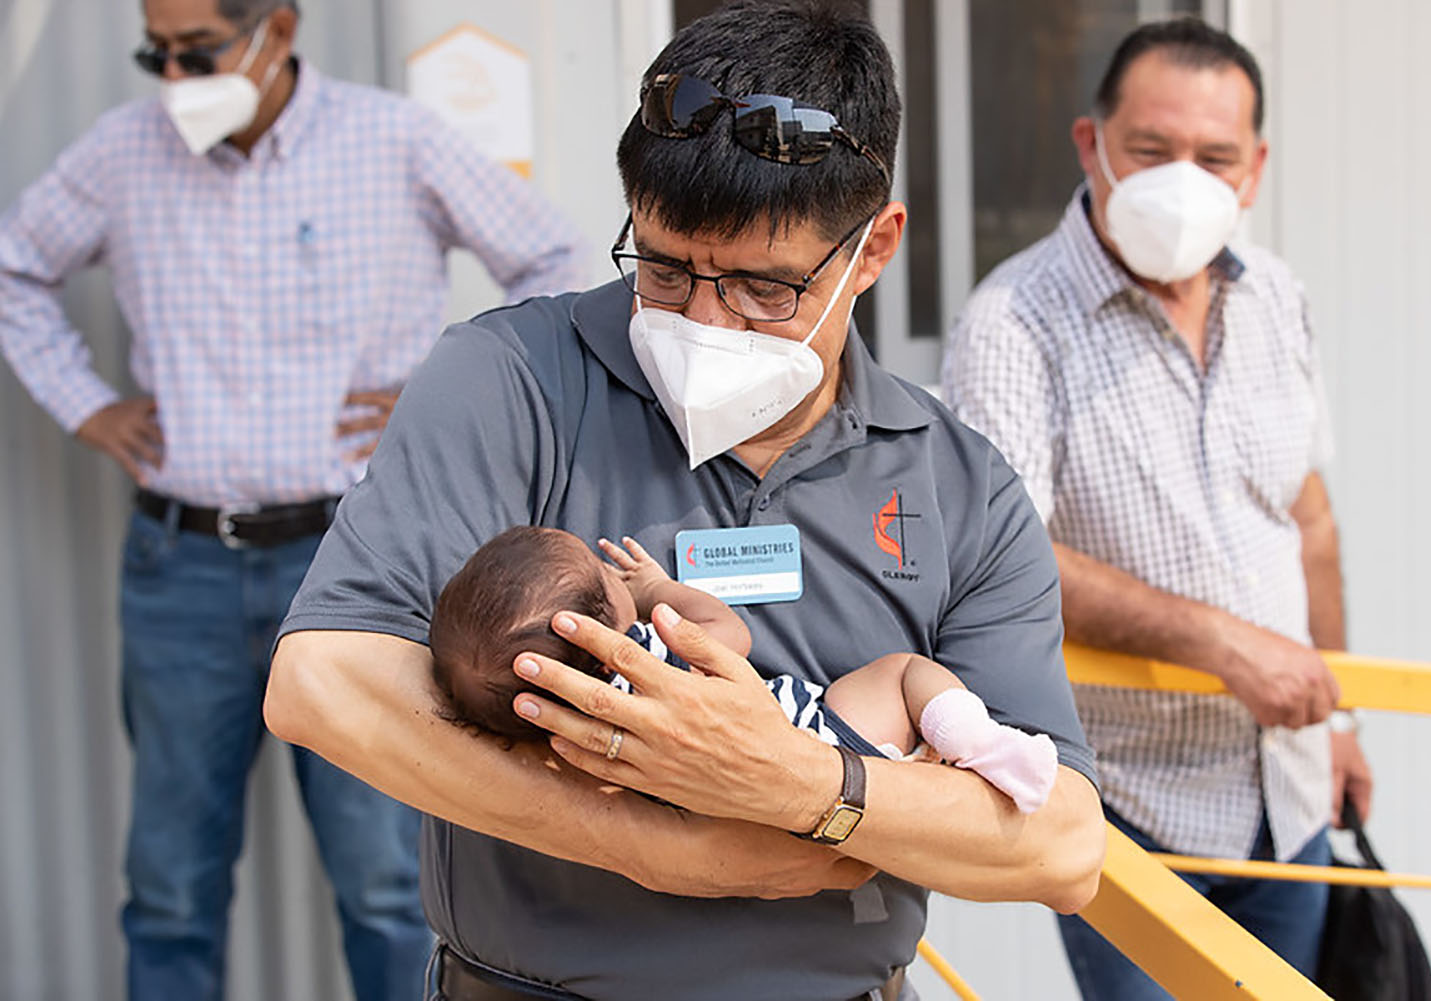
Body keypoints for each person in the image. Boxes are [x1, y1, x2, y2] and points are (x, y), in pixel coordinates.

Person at [264, 3, 1106, 1000]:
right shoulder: (513, 379)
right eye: (664, 269)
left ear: (873, 250)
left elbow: (1060, 845)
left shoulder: (957, 483)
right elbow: (323, 682)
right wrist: (651, 843)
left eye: (763, 288)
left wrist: (802, 785)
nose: (705, 320)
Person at [0, 0, 589, 997]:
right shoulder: (123, 152)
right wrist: (87, 407)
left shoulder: (392, 140)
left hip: (355, 567)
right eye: (157, 54)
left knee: (387, 881)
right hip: (182, 567)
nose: (176, 79)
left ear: (277, 27)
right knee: (171, 885)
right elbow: (15, 266)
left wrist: (438, 398)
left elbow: (553, 262)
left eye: (199, 52)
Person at [943, 17, 1373, 998]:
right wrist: (1222, 643)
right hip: (1130, 808)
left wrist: (1341, 717)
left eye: (1214, 158)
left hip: (1288, 794)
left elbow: (1308, 521)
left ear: (1255, 170)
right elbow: (1007, 564)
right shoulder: (1012, 321)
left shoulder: (1277, 297)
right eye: (1150, 149)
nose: (1183, 181)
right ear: (1091, 144)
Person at [429, 528, 1059, 812]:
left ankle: (928, 756)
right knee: (903, 673)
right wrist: (654, 591)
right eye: (603, 575)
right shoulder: (649, 651)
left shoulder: (570, 732)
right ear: (604, 624)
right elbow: (732, 635)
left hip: (749, 809)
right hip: (817, 738)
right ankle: (983, 747)